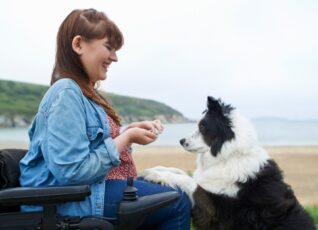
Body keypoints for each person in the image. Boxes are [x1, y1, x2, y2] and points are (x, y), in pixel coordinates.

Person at [19, 8, 191, 229]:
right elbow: (73, 172)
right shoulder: (66, 92)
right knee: (178, 202)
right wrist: (126, 138)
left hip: (88, 193)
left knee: (171, 193)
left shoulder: (85, 93)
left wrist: (127, 131)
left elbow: (92, 147)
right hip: (69, 204)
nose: (115, 57)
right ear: (78, 44)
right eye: (109, 47)